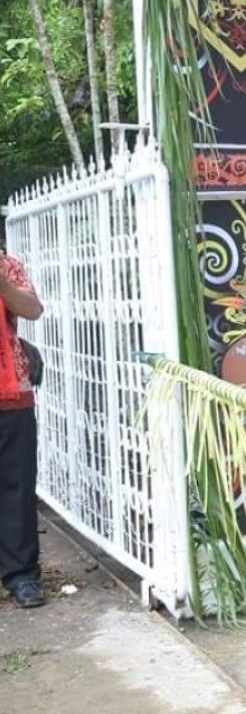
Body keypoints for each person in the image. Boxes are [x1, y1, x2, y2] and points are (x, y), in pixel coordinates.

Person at [0, 246, 45, 608]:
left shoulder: (7, 264)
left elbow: (32, 309)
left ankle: (21, 575)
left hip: (11, 394)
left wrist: (2, 282)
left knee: (16, 485)